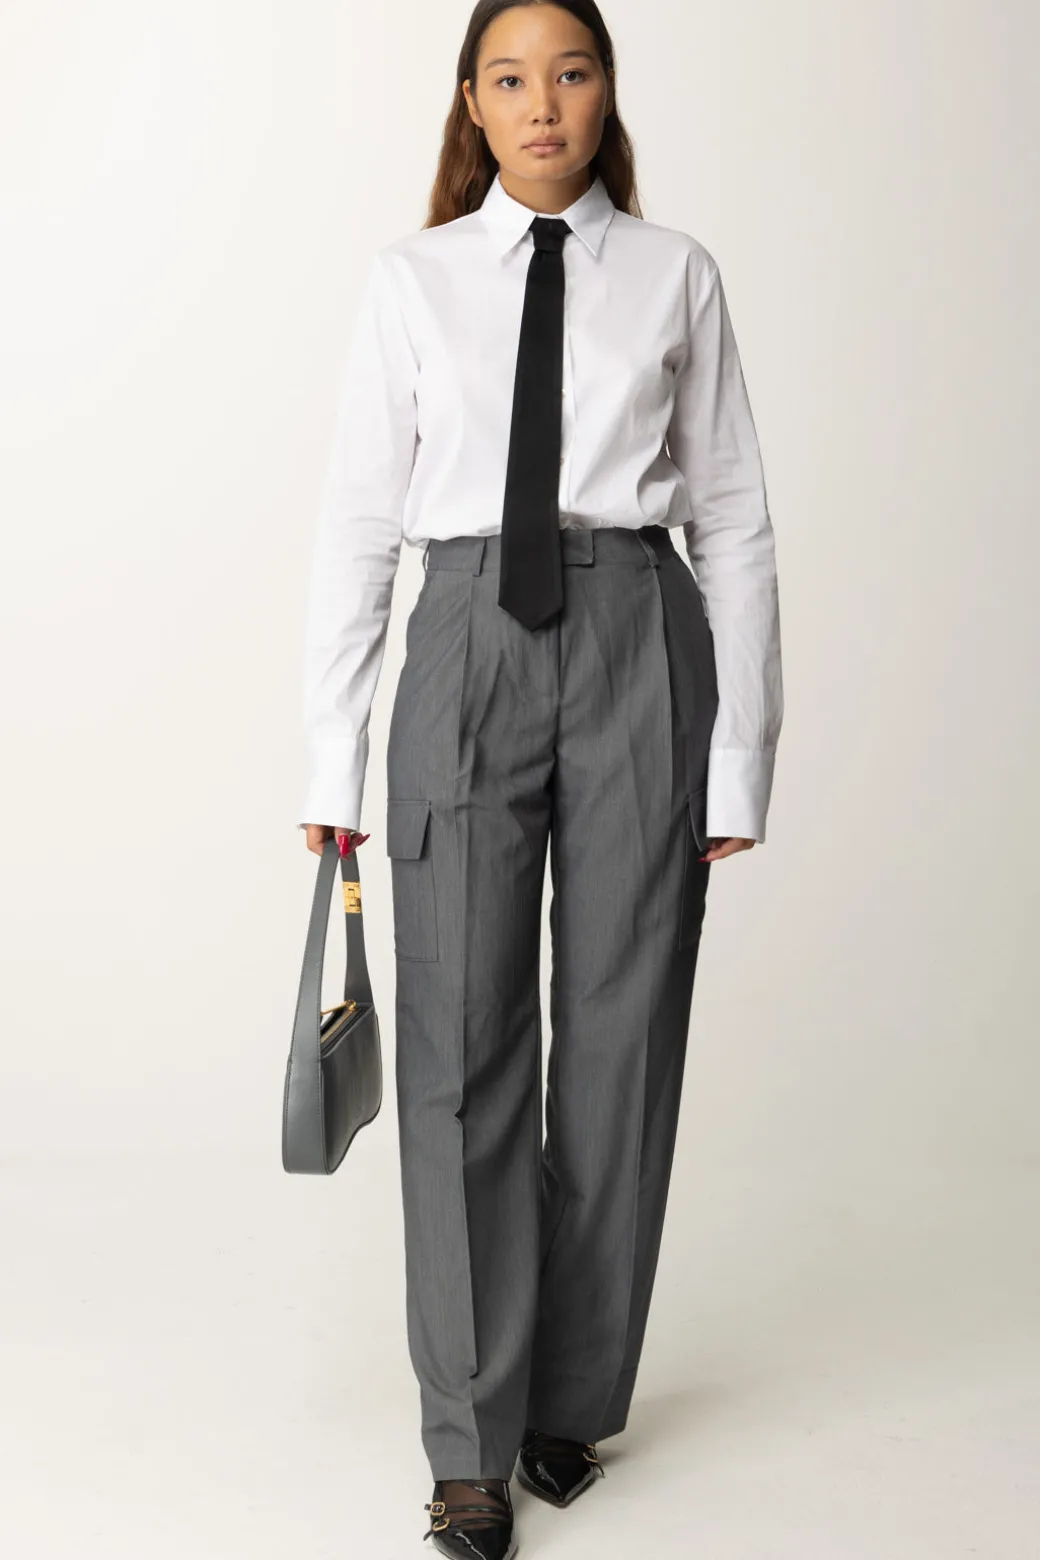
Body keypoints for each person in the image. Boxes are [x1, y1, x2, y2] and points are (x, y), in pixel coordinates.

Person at [297, 1, 783, 1554]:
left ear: (604, 90)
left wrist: (740, 757)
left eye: (569, 73)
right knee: (459, 1044)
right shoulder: (413, 280)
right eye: (510, 78)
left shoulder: (676, 272)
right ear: (473, 102)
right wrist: (332, 751)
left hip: (637, 629)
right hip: (463, 643)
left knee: (623, 1041)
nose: (543, 103)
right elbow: (358, 518)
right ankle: (468, 1439)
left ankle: (570, 1399)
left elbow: (735, 514)